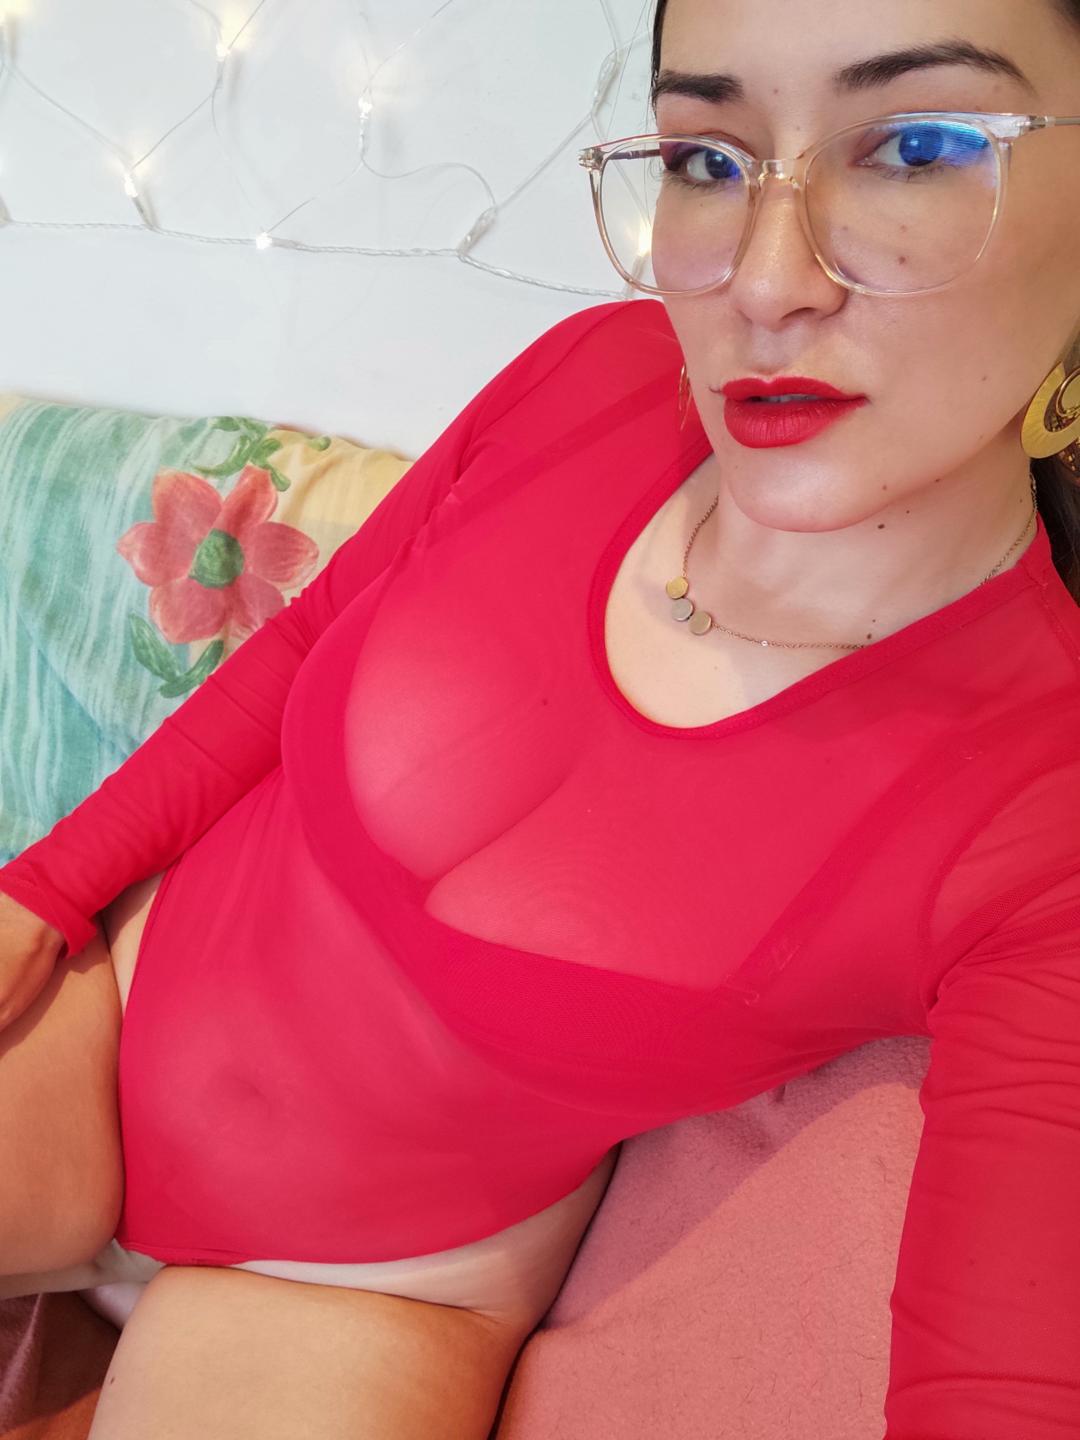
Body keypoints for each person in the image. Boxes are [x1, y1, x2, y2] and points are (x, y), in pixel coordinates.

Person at [2, 0, 1080, 1433]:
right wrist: (40, 892)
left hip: (357, 1297)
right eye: (706, 159)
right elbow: (307, 646)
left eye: (920, 146)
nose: (766, 280)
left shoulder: (1042, 799)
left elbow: (1005, 1367)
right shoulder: (597, 374)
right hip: (99, 1022)